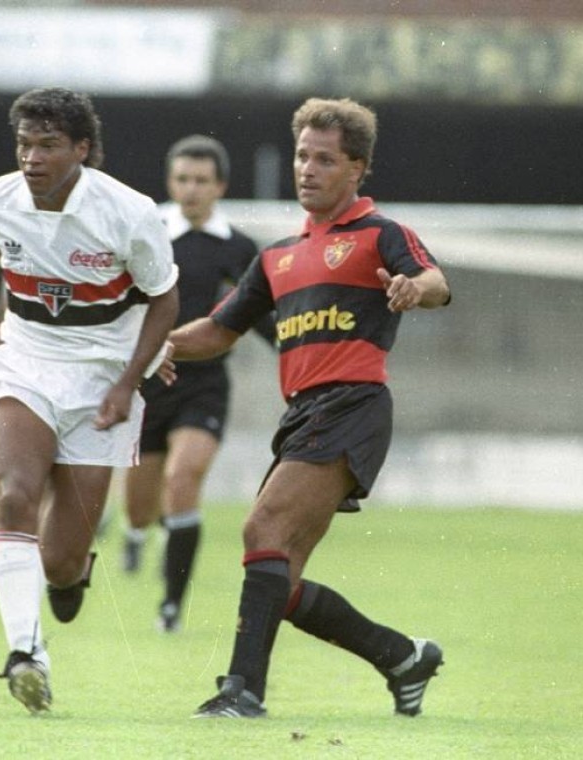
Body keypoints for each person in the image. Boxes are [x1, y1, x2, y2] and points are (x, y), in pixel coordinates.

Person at [0, 87, 179, 714]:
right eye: (25, 143)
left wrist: (128, 380)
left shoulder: (127, 213)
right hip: (23, 363)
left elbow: (164, 299)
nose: (32, 156)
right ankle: (27, 654)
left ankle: (70, 575)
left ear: (83, 149)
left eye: (48, 144)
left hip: (102, 377)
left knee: (60, 561)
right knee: (16, 491)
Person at [170, 98, 451, 719]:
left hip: (353, 404)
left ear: (358, 168)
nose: (308, 169)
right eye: (302, 156)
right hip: (302, 415)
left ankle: (241, 692)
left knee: (259, 530)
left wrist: (413, 287)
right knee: (282, 583)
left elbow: (436, 284)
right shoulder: (275, 256)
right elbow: (219, 329)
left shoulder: (381, 235)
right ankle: (404, 657)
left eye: (325, 159)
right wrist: (153, 349)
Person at [121, 134, 276, 634]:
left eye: (201, 181)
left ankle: (171, 605)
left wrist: (293, 348)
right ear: (170, 182)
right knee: (142, 506)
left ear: (220, 187)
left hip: (204, 382)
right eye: (182, 179)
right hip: (147, 381)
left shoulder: (236, 247)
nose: (191, 190)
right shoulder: (145, 234)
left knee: (182, 482)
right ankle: (134, 531)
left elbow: (257, 311)